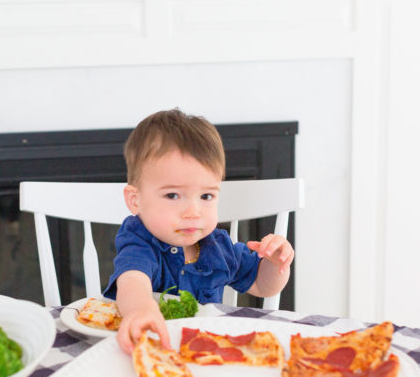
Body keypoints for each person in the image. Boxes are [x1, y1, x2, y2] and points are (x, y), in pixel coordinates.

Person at [103, 109, 294, 354]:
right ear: (135, 200)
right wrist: (141, 309)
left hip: (204, 352)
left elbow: (263, 286)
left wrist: (275, 263)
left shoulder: (218, 246)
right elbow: (132, 280)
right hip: (148, 348)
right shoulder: (139, 239)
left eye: (206, 196)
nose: (193, 212)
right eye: (173, 195)